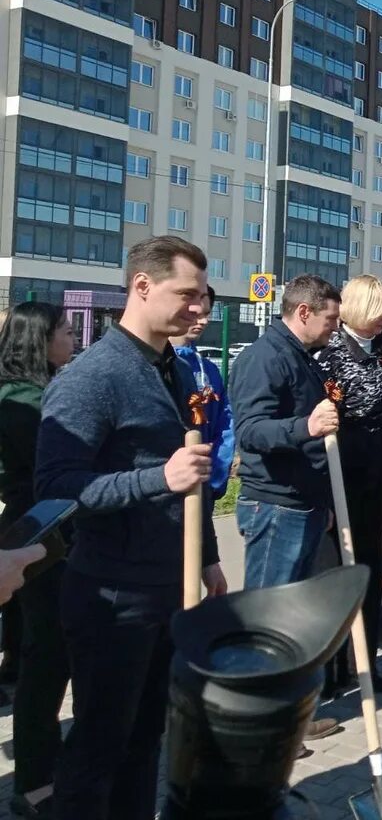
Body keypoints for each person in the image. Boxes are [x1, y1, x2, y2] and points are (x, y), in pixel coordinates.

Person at [36, 236, 227, 820]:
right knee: (99, 749)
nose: (201, 309)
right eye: (188, 296)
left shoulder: (171, 367)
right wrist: (155, 481)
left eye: (204, 297)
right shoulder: (93, 376)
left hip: (168, 586)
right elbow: (56, 491)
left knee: (145, 741)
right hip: (113, 597)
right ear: (142, 288)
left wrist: (208, 554)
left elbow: (189, 477)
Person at [0, 302, 76, 816]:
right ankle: (32, 780)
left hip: (45, 533)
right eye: (65, 331)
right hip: (36, 536)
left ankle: (45, 760)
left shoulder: (42, 389)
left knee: (48, 652)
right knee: (44, 657)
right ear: (39, 339)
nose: (73, 338)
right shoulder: (21, 400)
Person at [315, 276, 382, 693]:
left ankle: (363, 662)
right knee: (339, 566)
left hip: (374, 462)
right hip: (340, 464)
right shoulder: (329, 352)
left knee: (370, 563)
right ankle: (331, 669)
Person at [229, 275, 341, 589]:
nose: (335, 327)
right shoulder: (265, 359)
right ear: (304, 312)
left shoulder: (302, 359)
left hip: (305, 502)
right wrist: (308, 426)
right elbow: (251, 431)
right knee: (267, 614)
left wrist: (323, 503)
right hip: (276, 506)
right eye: (330, 319)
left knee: (291, 611)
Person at [171, 287, 234, 505]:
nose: (204, 321)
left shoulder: (209, 370)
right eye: (197, 314)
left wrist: (215, 478)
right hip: (165, 490)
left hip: (205, 488)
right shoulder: (155, 366)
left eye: (207, 314)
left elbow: (225, 426)